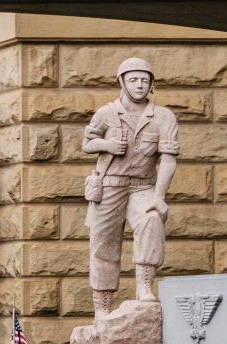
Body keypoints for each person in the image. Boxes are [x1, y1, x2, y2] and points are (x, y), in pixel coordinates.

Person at [82, 57, 179, 322]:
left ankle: (144, 286)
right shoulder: (106, 113)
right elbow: (87, 143)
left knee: (152, 220)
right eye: (133, 80)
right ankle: (102, 307)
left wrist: (159, 197)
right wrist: (107, 145)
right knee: (104, 243)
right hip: (110, 185)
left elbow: (169, 160)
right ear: (122, 82)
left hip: (142, 186)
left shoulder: (163, 117)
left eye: (144, 80)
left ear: (152, 85)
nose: (139, 85)